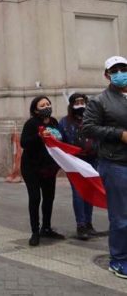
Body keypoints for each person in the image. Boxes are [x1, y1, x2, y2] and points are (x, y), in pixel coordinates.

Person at [82, 55, 127, 279]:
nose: (120, 73)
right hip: (115, 163)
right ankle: (118, 260)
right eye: (115, 70)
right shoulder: (99, 101)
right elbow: (88, 128)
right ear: (107, 75)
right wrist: (120, 135)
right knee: (121, 216)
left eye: (123, 68)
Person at [20, 96, 65, 246]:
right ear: (35, 109)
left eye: (48, 104)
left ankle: (46, 227)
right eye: (42, 105)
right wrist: (39, 136)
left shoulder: (53, 122)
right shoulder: (31, 124)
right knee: (35, 198)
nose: (46, 107)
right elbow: (24, 143)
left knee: (49, 198)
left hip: (48, 168)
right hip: (31, 167)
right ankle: (35, 231)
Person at [57, 93, 98, 240]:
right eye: (77, 102)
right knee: (79, 193)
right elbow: (60, 140)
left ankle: (88, 223)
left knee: (90, 192)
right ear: (71, 104)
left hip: (92, 161)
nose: (80, 104)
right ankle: (80, 225)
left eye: (82, 101)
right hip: (75, 163)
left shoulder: (92, 119)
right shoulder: (64, 122)